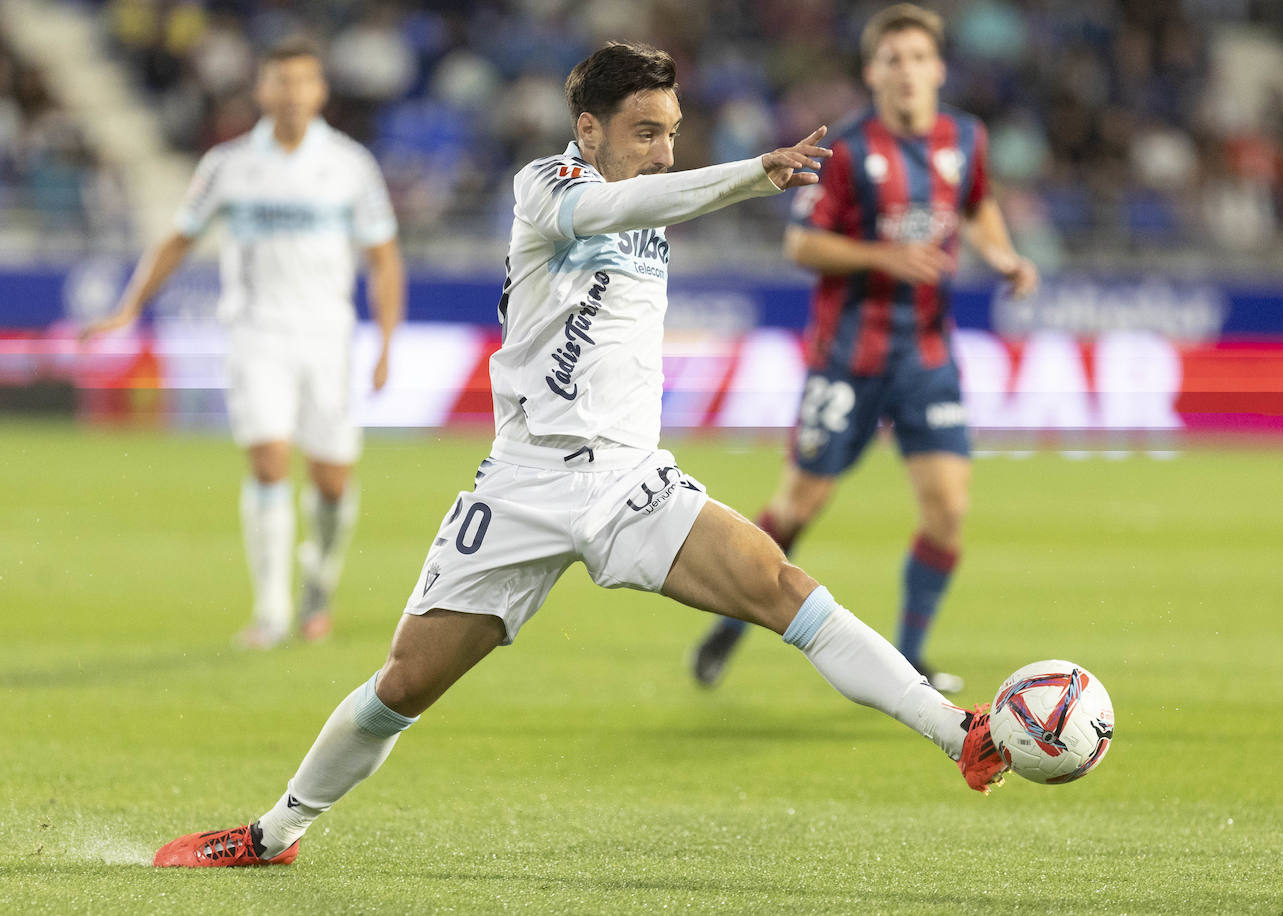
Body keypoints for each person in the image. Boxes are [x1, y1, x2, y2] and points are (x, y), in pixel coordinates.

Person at [149, 40, 1007, 870]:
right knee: (404, 684)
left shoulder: (655, 195)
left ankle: (956, 732)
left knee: (784, 588)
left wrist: (710, 178)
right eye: (646, 132)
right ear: (587, 128)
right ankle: (272, 833)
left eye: (673, 132)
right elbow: (617, 208)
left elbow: (648, 209)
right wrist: (750, 173)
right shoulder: (547, 187)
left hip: (632, 478)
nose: (665, 153)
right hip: (525, 482)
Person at [690, 4, 1038, 694]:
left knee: (948, 508)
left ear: (938, 68)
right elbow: (800, 243)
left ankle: (908, 657)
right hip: (849, 356)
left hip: (928, 356)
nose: (907, 71)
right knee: (796, 507)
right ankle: (729, 624)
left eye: (918, 58)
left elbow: (976, 204)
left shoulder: (966, 137)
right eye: (893, 60)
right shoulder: (847, 149)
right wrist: (884, 256)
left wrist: (1002, 256)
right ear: (872, 71)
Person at [84, 38, 405, 649]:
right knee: (267, 463)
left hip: (327, 337)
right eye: (279, 81)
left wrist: (388, 341)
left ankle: (317, 581)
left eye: (302, 81)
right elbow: (177, 239)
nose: (291, 93)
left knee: (333, 481)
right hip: (255, 332)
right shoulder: (227, 165)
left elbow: (385, 258)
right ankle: (271, 611)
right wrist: (127, 308)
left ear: (320, 92)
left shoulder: (349, 165)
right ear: (261, 90)